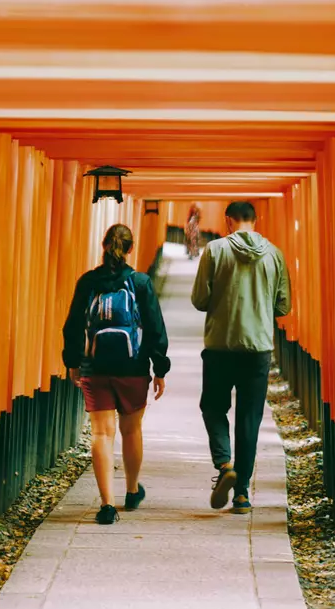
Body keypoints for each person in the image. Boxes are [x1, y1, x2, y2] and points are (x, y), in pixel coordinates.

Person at [62, 224, 171, 525]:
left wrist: (73, 362)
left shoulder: (88, 282)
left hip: (95, 367)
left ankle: (107, 504)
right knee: (131, 430)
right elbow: (155, 328)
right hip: (132, 367)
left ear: (103, 245)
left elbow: (73, 325)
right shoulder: (140, 282)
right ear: (131, 248)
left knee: (101, 433)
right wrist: (160, 368)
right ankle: (132, 490)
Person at [190, 201, 291, 514]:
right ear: (255, 220)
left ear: (228, 221)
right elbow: (283, 305)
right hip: (258, 348)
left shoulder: (215, 251)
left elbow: (200, 299)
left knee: (213, 407)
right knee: (249, 418)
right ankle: (242, 494)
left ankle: (224, 464)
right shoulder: (274, 254)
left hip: (220, 345)